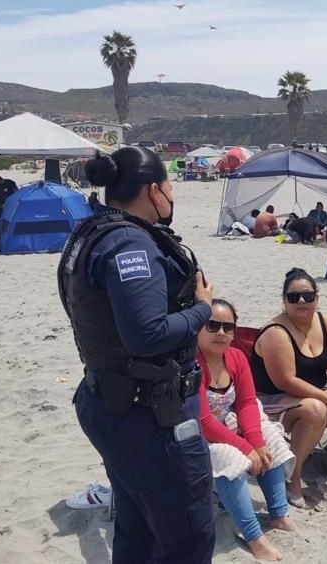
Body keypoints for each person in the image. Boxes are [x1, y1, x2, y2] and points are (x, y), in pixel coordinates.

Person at [58, 146, 216, 563]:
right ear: (152, 190)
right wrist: (203, 309)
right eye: (168, 187)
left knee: (136, 527)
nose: (171, 196)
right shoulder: (130, 243)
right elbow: (146, 335)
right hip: (148, 417)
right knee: (188, 538)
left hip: (113, 401)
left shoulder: (93, 230)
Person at [251, 268, 327, 505]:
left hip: (306, 397)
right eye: (294, 297)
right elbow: (285, 381)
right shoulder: (276, 332)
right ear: (284, 301)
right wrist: (326, 397)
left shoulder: (324, 321)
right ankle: (292, 479)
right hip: (268, 403)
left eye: (308, 295)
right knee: (316, 409)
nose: (302, 301)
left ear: (317, 297)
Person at [198, 299, 296, 561]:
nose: (220, 332)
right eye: (212, 325)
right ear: (198, 327)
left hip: (230, 424)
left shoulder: (236, 357)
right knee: (230, 459)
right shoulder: (192, 364)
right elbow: (203, 421)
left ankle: (279, 514)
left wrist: (256, 443)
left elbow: (247, 403)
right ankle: (254, 537)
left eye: (227, 327)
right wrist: (246, 448)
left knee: (271, 438)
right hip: (198, 434)